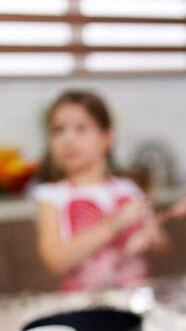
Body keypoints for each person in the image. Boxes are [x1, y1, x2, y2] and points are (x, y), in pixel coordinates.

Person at [34, 90, 164, 292]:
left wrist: (151, 235)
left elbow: (161, 244)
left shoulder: (128, 189)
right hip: (83, 307)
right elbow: (55, 261)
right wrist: (115, 224)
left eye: (81, 129)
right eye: (58, 130)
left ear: (106, 138)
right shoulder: (51, 196)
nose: (68, 139)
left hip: (135, 298)